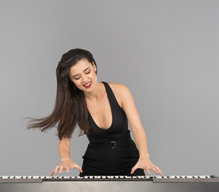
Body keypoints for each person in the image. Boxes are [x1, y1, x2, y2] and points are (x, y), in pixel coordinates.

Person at [27, 48, 162, 176]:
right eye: (77, 77)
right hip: (94, 167)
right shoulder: (73, 103)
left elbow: (138, 129)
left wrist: (144, 156)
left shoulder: (121, 91)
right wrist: (65, 159)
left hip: (130, 164)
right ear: (71, 80)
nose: (85, 80)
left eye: (87, 71)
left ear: (94, 66)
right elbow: (65, 139)